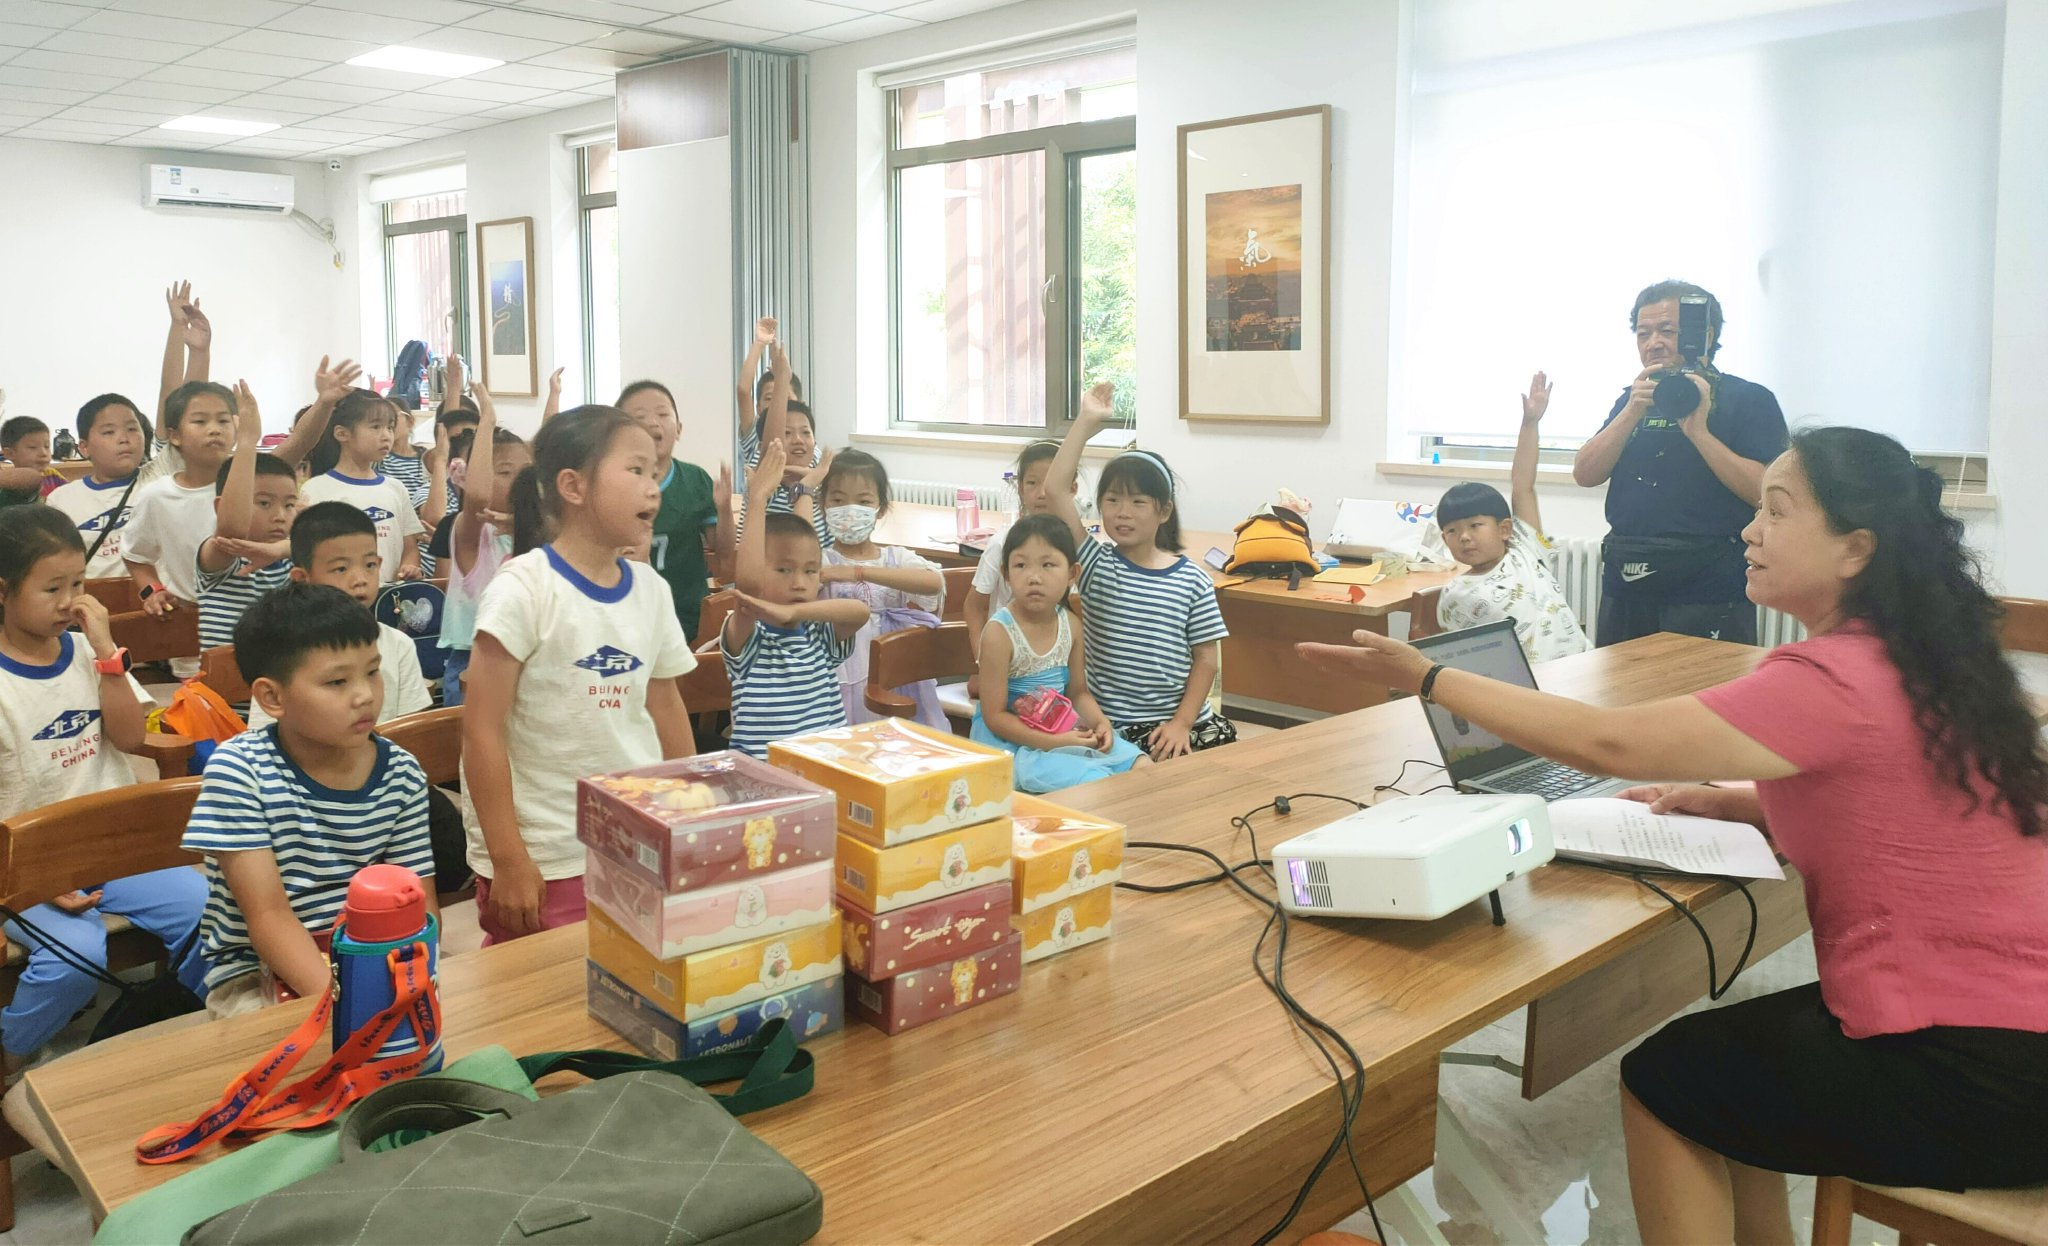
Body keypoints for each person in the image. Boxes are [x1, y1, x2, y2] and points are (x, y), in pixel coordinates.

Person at [1301, 426, 2048, 1244]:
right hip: (2015, 1028)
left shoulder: (1829, 676)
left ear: (1854, 550)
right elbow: (1910, 795)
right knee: (1733, 1075)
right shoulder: (1923, 660)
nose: (1747, 531)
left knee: (1667, 1082)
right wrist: (1754, 805)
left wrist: (1430, 677)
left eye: (1775, 510)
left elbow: (1607, 744)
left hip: (1980, 1065)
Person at [461, 408, 697, 944]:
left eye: (656, 473)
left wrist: (692, 810)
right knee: (547, 1010)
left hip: (637, 838)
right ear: (573, 486)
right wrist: (510, 859)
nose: (653, 488)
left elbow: (666, 708)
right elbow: (481, 731)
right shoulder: (524, 587)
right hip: (548, 855)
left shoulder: (650, 589)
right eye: (636, 471)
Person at [0, 507, 206, 1071]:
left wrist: (107, 654)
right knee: (74, 956)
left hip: (111, 846)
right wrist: (33, 881)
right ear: (3, 591)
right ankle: (12, 1050)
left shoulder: (89, 652)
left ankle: (192, 1029)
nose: (71, 601)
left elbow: (129, 734)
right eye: (52, 588)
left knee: (206, 911)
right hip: (21, 865)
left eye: (78, 584)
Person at [182, 583, 438, 1017]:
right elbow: (268, 919)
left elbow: (416, 902)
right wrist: (349, 1007)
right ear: (272, 698)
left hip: (375, 957)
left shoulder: (402, 771)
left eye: (372, 671)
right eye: (337, 681)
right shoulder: (240, 772)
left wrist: (410, 981)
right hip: (259, 971)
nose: (364, 695)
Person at [1573, 280, 1788, 647]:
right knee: (1618, 695)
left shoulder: (1747, 398)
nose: (1653, 342)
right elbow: (1586, 474)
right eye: (1643, 333)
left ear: (1705, 334)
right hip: (1628, 579)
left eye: (1667, 331)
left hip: (1708, 585)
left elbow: (1763, 491)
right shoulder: (1632, 400)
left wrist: (1698, 431)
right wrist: (1631, 412)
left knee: (1703, 697)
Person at [1046, 383, 1235, 759]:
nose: (1122, 511)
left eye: (1137, 501)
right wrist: (1085, 422)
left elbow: (1206, 659)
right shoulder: (1096, 565)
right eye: (1112, 500)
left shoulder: (1192, 579)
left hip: (1182, 724)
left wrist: (1181, 723)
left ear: (1163, 512)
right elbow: (1054, 490)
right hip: (1115, 725)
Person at [970, 513, 1145, 792]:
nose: (1034, 577)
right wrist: (1056, 742)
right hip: (1013, 744)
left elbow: (1078, 693)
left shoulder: (1071, 624)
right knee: (1095, 784)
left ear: (1072, 574)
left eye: (1048, 564)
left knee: (1141, 767)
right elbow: (994, 717)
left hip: (1060, 727)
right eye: (1020, 565)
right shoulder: (998, 633)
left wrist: (1101, 722)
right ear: (1006, 574)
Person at [1427, 371, 1589, 662]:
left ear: (1504, 529)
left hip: (1580, 668)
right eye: (1452, 531)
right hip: (1525, 689)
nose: (1464, 536)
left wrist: (1530, 423)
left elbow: (1523, 485)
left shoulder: (1524, 551)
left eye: (1475, 526)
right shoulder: (1455, 595)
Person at [721, 440, 867, 759]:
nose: (799, 582)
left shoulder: (818, 633)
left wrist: (795, 613)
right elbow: (746, 584)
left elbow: (859, 612)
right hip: (764, 778)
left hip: (825, 771)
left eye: (811, 571)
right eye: (784, 570)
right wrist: (757, 498)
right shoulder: (751, 636)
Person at [251, 502, 431, 731]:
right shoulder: (284, 649)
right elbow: (264, 737)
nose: (360, 579)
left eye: (369, 565)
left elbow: (411, 734)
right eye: (341, 569)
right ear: (301, 578)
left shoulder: (398, 645)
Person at [818, 448, 948, 729]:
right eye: (838, 500)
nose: (851, 510)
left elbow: (933, 581)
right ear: (823, 506)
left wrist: (859, 572)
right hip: (842, 671)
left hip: (895, 675)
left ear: (881, 509)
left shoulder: (894, 558)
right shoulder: (823, 560)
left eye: (863, 501)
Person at [122, 381, 243, 682]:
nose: (214, 429)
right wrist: (153, 591)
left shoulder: (255, 482)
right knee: (205, 716)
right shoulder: (158, 496)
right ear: (174, 435)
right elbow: (135, 555)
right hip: (193, 629)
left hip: (257, 622)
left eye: (223, 420)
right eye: (200, 421)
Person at [615, 379, 732, 641]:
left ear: (678, 429)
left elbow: (723, 551)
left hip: (686, 618)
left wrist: (724, 510)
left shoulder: (694, 480)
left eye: (663, 414)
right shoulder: (611, 484)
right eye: (639, 416)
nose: (653, 422)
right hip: (624, 617)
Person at [195, 391, 298, 671]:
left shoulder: (296, 553)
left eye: (290, 505)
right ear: (222, 506)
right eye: (264, 503)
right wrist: (247, 443)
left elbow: (331, 542)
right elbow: (231, 530)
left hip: (286, 697)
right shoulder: (223, 557)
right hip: (226, 705)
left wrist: (282, 549)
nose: (280, 515)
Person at [438, 383, 527, 707]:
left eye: (524, 472)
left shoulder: (536, 532)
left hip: (524, 657)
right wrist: (487, 419)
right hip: (471, 661)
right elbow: (477, 496)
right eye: (504, 471)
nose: (519, 480)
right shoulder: (473, 532)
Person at [963, 439, 1075, 687]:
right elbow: (973, 607)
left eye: (1051, 483)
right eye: (1032, 483)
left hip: (1054, 665)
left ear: (1072, 488)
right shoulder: (1001, 544)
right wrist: (983, 661)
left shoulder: (1075, 546)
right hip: (1007, 658)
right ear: (1020, 489)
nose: (1042, 493)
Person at [298, 389, 424, 583]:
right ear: (342, 433)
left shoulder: (396, 488)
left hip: (389, 600)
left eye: (390, 427)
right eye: (375, 427)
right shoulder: (315, 490)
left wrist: (409, 568)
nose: (386, 436)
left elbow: (409, 547)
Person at [46, 395, 148, 579]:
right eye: (109, 432)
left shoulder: (157, 479)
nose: (124, 438)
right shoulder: (62, 499)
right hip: (91, 601)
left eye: (132, 429)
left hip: (156, 600)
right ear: (84, 448)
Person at [0, 416, 62, 506]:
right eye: (32, 447)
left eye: (47, 446)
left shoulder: (53, 475)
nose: (43, 453)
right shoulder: (8, 482)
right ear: (10, 454)